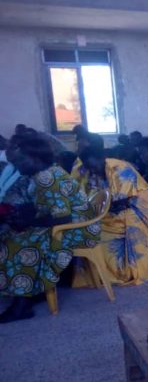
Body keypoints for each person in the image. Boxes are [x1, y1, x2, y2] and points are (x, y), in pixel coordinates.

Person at [0, 136, 100, 321]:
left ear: (35, 158)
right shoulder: (44, 173)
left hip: (77, 229)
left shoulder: (46, 177)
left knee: (20, 243)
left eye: (21, 161)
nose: (18, 166)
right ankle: (29, 290)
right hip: (72, 223)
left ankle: (23, 302)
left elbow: (63, 217)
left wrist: (29, 223)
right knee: (13, 235)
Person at [71, 146, 148, 287]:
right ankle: (103, 275)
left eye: (93, 166)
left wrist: (92, 211)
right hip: (115, 210)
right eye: (88, 167)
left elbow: (122, 202)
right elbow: (94, 196)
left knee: (101, 233)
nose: (92, 170)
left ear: (101, 159)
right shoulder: (93, 171)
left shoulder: (119, 168)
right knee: (90, 231)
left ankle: (129, 273)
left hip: (136, 209)